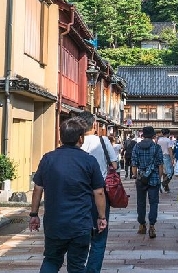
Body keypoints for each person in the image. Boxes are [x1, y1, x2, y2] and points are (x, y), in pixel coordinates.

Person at [29, 117, 106, 272]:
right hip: (80, 224)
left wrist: (34, 214)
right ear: (80, 138)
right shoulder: (89, 161)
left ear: (61, 137)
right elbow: (99, 192)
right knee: (77, 265)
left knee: (51, 260)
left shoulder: (48, 159)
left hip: (54, 223)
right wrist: (101, 217)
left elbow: (38, 188)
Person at [77, 112, 117, 273]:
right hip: (100, 193)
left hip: (78, 193)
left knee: (80, 234)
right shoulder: (103, 140)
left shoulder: (75, 141)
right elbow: (114, 165)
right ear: (94, 125)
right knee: (99, 235)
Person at [131, 125, 164, 239]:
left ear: (142, 135)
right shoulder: (157, 148)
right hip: (154, 178)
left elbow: (134, 165)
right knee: (153, 203)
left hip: (141, 178)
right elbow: (160, 165)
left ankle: (141, 224)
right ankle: (152, 226)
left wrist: (136, 176)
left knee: (141, 202)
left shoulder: (136, 147)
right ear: (153, 135)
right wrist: (159, 178)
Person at [156, 128, 174, 192]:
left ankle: (166, 188)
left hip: (159, 156)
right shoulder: (168, 140)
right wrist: (172, 159)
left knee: (164, 172)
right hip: (166, 156)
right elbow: (170, 150)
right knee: (170, 172)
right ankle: (162, 185)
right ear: (168, 133)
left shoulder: (159, 140)